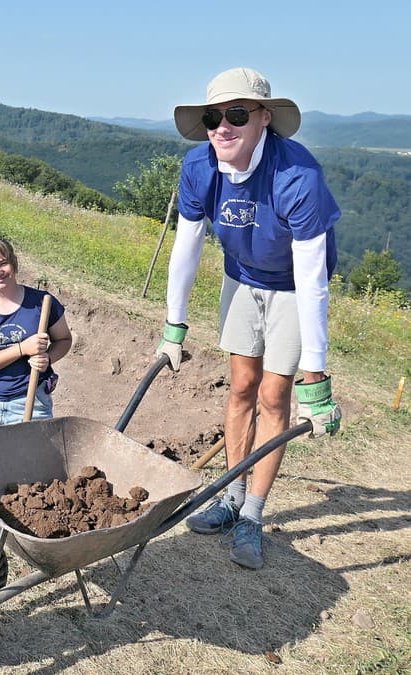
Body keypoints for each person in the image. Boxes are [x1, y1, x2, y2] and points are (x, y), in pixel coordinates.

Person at [157, 68, 342, 569]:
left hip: (290, 288)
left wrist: (316, 380)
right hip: (241, 279)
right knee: (241, 387)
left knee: (273, 395)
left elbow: (312, 281)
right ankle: (230, 495)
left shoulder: (297, 178)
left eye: (236, 114)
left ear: (264, 119)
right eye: (213, 116)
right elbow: (186, 249)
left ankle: (253, 516)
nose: (222, 126)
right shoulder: (200, 168)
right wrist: (174, 325)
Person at [0, 237, 72, 431]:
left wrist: (48, 358)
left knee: (30, 461)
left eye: (3, 263)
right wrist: (21, 348)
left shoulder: (41, 303)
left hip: (31, 401)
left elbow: (64, 339)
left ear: (14, 263)